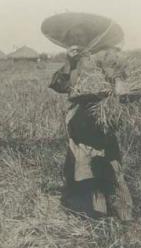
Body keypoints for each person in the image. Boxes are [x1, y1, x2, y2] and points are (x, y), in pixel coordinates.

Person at [49, 45, 133, 222]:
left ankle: (124, 215)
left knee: (111, 166)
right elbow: (58, 85)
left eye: (82, 36)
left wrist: (114, 80)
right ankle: (95, 214)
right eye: (76, 37)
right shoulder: (75, 62)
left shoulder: (107, 54)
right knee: (84, 167)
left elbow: (122, 82)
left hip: (102, 121)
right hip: (81, 123)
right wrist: (69, 62)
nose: (79, 41)